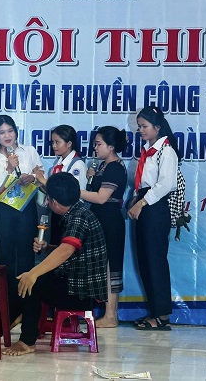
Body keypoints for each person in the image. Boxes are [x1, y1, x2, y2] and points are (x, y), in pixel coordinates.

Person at [1, 172, 108, 356]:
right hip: (76, 282)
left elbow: (66, 250)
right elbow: (71, 250)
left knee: (30, 283)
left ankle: (26, 341)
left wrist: (33, 274)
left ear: (55, 202)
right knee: (27, 279)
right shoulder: (78, 211)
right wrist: (47, 248)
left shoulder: (78, 217)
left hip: (82, 292)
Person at [0, 114, 44, 326]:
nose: (7, 136)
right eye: (2, 132)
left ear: (16, 131)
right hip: (5, 211)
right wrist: (8, 170)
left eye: (10, 131)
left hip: (26, 208)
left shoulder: (29, 151)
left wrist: (32, 178)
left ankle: (27, 312)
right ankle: (9, 310)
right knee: (7, 260)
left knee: (26, 259)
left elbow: (41, 177)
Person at [127, 106, 179, 331]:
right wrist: (134, 199)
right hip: (143, 201)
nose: (141, 130)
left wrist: (142, 202)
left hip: (155, 206)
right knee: (145, 260)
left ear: (157, 127)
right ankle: (154, 312)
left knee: (155, 260)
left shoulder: (166, 151)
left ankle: (162, 315)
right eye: (139, 126)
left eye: (144, 126)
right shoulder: (147, 150)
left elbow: (166, 184)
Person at [79, 126, 128, 328]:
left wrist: (74, 191)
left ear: (111, 146)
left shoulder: (115, 167)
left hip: (110, 221)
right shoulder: (103, 166)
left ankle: (111, 315)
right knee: (102, 266)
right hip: (99, 220)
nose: (95, 148)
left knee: (111, 267)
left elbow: (101, 197)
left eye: (99, 144)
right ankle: (107, 314)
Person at [33, 124, 87, 245]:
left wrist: (43, 179)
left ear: (69, 143)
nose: (54, 146)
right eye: (52, 142)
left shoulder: (77, 165)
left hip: (71, 215)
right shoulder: (58, 164)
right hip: (57, 212)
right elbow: (52, 191)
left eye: (57, 142)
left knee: (67, 248)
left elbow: (67, 193)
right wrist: (39, 182)